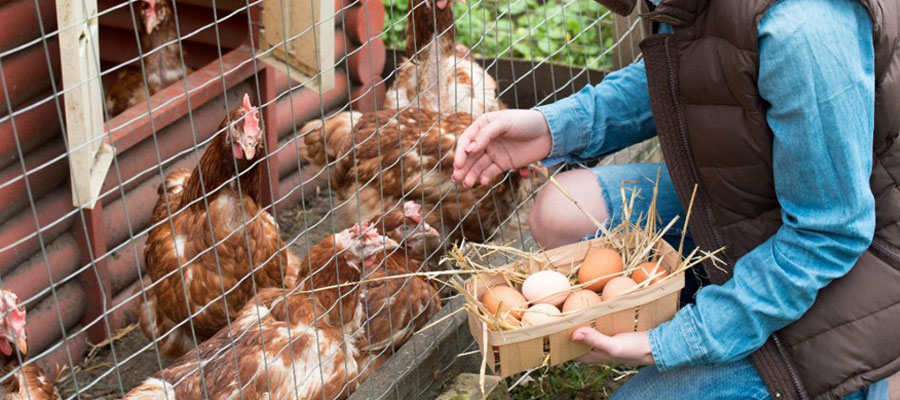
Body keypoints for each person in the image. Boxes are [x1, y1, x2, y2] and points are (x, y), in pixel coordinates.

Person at [451, 0, 900, 399]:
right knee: (564, 208)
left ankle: (866, 380)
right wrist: (553, 127)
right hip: (764, 201)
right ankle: (730, 313)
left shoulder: (803, 23)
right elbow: (685, 75)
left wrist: (674, 341)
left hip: (861, 262)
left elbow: (828, 233)